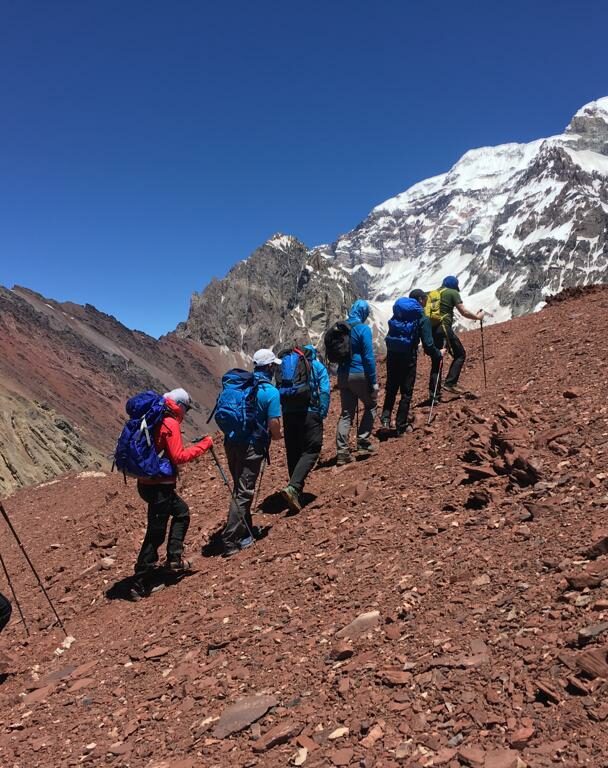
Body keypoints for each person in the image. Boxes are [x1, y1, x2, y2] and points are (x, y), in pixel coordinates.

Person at [131, 388, 213, 599]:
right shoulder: (170, 422)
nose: (185, 413)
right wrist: (204, 445)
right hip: (160, 486)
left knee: (181, 512)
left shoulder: (155, 416)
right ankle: (140, 583)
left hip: (146, 483)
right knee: (156, 532)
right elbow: (178, 456)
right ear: (181, 406)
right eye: (186, 408)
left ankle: (174, 559)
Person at [222, 349, 282, 557]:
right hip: (252, 446)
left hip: (231, 442)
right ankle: (230, 540)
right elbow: (274, 423)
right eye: (274, 365)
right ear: (270, 367)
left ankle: (245, 531)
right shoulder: (271, 392)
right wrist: (277, 436)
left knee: (239, 486)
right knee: (244, 491)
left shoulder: (240, 385)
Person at [381, 290, 444, 434]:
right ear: (421, 300)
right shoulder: (421, 317)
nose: (427, 301)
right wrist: (438, 353)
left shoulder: (400, 312)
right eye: (425, 299)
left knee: (391, 388)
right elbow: (428, 344)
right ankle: (400, 425)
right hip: (408, 356)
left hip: (392, 354)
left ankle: (385, 419)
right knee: (406, 391)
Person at [281, 345, 330, 512]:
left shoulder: (288, 367)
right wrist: (322, 412)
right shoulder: (316, 366)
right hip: (309, 413)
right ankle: (293, 488)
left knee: (293, 451)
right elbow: (324, 391)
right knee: (312, 449)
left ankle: (295, 490)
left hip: (288, 414)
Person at [335, 299, 378, 465]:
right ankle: (363, 442)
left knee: (346, 413)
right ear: (363, 313)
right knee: (371, 405)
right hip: (358, 373)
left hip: (342, 375)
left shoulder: (341, 329)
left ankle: (342, 453)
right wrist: (373, 382)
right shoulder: (362, 329)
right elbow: (368, 357)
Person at [428, 276, 484, 399]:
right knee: (460, 354)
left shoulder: (435, 293)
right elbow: (464, 312)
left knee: (437, 359)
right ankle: (450, 383)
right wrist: (478, 317)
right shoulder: (452, 292)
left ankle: (434, 394)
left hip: (433, 329)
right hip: (444, 328)